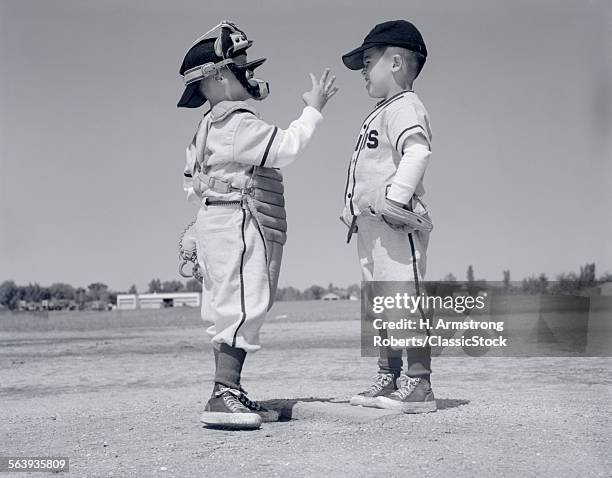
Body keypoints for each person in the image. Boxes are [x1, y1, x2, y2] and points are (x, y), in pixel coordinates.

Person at [177, 21, 337, 429]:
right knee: (244, 306)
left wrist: (202, 222)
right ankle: (222, 394)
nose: (248, 71)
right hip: (237, 222)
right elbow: (284, 149)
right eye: (239, 64)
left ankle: (227, 388)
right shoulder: (236, 121)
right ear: (217, 76)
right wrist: (313, 109)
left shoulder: (207, 125)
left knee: (224, 309)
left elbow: (189, 183)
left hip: (214, 219)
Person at [340, 20, 437, 413]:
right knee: (381, 303)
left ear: (396, 62)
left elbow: (417, 153)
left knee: (402, 297)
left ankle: (419, 383)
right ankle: (390, 375)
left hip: (395, 223)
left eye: (367, 61)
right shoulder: (381, 111)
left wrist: (396, 199)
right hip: (371, 226)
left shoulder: (405, 106)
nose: (362, 71)